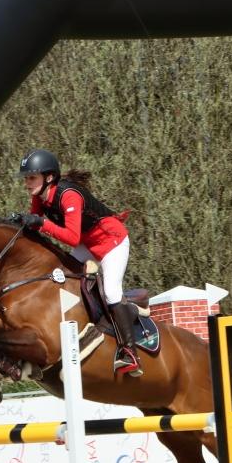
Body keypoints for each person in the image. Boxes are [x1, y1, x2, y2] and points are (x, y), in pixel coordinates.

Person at [15, 148, 142, 376]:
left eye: (31, 177)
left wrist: (41, 224)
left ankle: (130, 352)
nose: (27, 183)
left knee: (112, 292)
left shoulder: (68, 195)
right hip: (88, 243)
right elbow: (35, 224)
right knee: (58, 277)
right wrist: (19, 224)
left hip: (112, 241)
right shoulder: (39, 196)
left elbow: (71, 237)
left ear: (49, 178)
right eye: (26, 178)